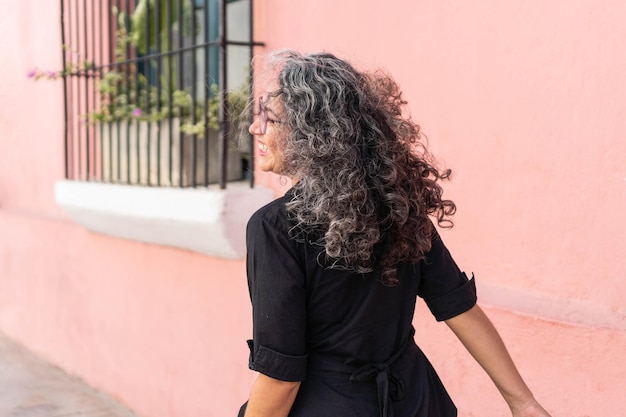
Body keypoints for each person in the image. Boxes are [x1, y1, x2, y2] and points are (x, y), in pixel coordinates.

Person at [239, 50, 552, 417]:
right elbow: (458, 306)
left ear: (312, 134)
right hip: (418, 403)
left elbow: (282, 376)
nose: (254, 128)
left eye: (270, 119)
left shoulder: (276, 227)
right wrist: (524, 403)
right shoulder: (397, 204)